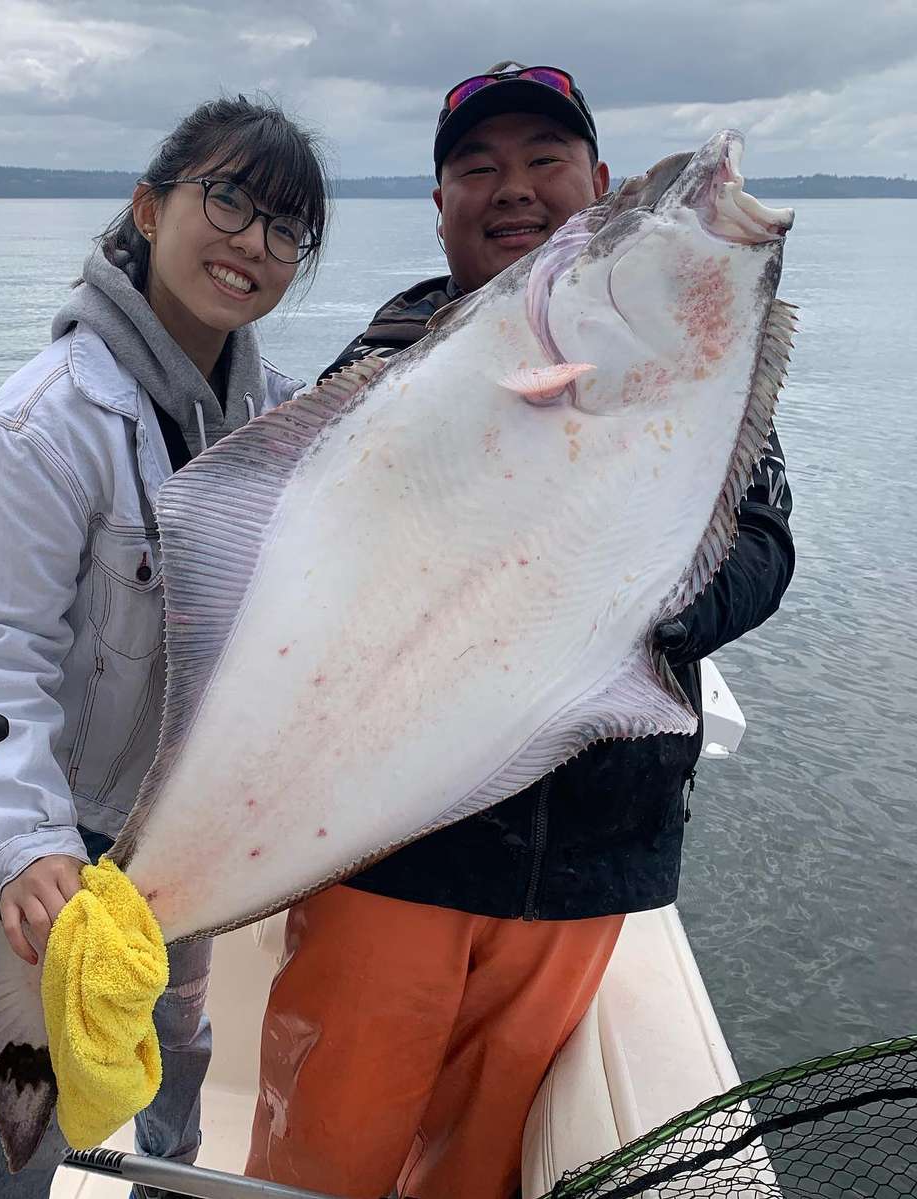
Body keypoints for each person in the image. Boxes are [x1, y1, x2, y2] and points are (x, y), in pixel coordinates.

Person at [244, 62, 795, 1199]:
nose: (513, 188)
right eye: (478, 168)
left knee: (480, 1165)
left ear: (600, 183)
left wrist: (628, 611)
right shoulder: (389, 357)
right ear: (439, 203)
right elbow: (304, 561)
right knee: (321, 1153)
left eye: (545, 159)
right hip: (395, 848)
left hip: (587, 859)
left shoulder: (699, 356)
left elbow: (764, 543)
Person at [0, 95, 328, 1199]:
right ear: (150, 209)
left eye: (287, 226)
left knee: (176, 1051)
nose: (253, 242)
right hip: (66, 832)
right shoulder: (44, 422)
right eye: (229, 199)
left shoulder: (281, 423)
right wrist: (30, 845)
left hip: (184, 835)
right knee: (31, 1102)